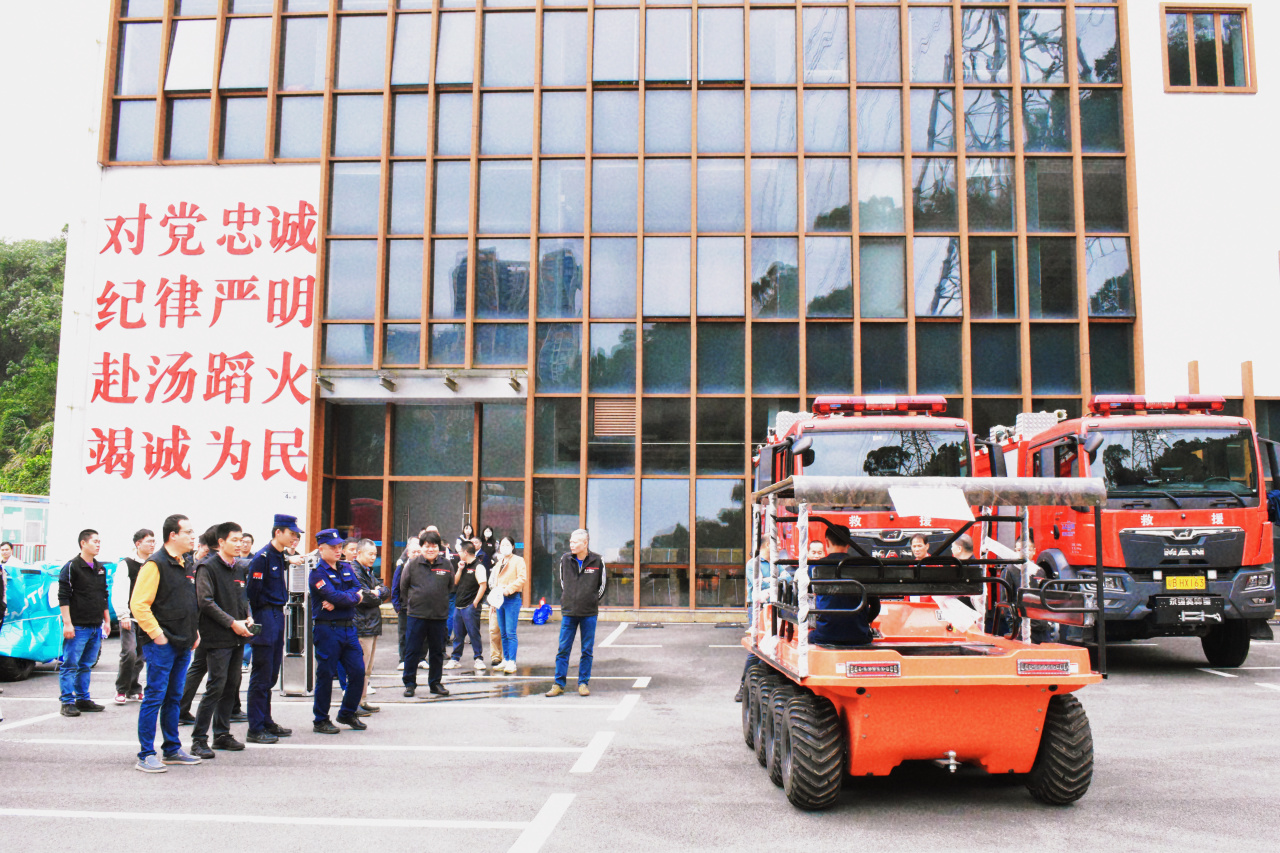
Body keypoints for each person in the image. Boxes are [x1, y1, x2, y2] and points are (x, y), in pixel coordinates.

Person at [130, 514, 203, 772]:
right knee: (155, 696)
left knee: (174, 697)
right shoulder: (155, 564)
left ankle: (172, 749)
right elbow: (139, 604)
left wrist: (194, 631)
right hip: (162, 644)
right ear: (173, 535)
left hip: (184, 641)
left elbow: (187, 601)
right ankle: (146, 754)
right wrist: (157, 635)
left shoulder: (186, 563)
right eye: (188, 532)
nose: (193, 536)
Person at [189, 521, 253, 759]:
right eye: (234, 540)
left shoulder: (237, 567)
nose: (239, 544)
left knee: (231, 685)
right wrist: (232, 622)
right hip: (216, 637)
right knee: (215, 687)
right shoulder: (207, 567)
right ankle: (198, 739)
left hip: (237, 636)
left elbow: (242, 598)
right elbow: (205, 602)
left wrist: (247, 616)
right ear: (221, 542)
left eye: (241, 540)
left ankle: (222, 734)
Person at [310, 529, 376, 733]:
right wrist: (350, 598)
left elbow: (358, 590)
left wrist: (344, 599)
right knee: (326, 674)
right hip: (327, 629)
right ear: (321, 549)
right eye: (333, 547)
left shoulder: (346, 567)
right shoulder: (318, 573)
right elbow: (335, 595)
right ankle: (321, 719)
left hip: (348, 627)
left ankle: (347, 712)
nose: (338, 550)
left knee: (358, 671)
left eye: (340, 547)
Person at [244, 514, 302, 745]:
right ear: (278, 532)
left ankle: (266, 720)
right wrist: (260, 616)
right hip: (266, 614)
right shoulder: (263, 557)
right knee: (261, 673)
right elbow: (253, 592)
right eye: (291, 533)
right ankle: (255, 727)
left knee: (271, 673)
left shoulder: (279, 555)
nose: (295, 538)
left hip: (277, 614)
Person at [57, 529, 111, 717]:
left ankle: (83, 698)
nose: (98, 545)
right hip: (78, 626)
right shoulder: (72, 567)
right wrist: (67, 623)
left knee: (86, 665)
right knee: (70, 664)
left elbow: (103, 595)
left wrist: (106, 620)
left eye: (99, 542)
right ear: (83, 543)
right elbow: (63, 596)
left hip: (95, 625)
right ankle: (67, 701)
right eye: (95, 541)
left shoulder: (100, 568)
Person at [548, 529, 606, 697]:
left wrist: (590, 599)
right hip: (569, 612)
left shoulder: (597, 560)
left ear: (585, 543)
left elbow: (602, 586)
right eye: (570, 542)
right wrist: (570, 598)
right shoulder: (565, 559)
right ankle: (558, 684)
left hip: (589, 613)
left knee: (586, 650)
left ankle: (583, 683)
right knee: (563, 649)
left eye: (575, 542)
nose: (571, 545)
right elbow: (562, 582)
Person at [399, 531, 456, 697]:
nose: (431, 549)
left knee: (437, 651)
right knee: (412, 650)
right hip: (416, 615)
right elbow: (403, 587)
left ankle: (435, 683)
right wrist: (413, 603)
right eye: (427, 546)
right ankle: (409, 684)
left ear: (439, 548)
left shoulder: (446, 565)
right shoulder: (412, 564)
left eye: (434, 546)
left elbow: (450, 586)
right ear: (421, 547)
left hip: (438, 616)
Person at [809, 523, 881, 647]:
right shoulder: (864, 567)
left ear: (827, 542)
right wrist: (863, 623)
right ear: (848, 544)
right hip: (859, 636)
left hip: (825, 635)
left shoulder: (815, 567)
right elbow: (875, 606)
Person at [179, 526, 220, 726]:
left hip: (204, 622)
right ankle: (182, 710)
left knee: (199, 666)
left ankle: (181, 709)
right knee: (208, 669)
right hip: (209, 623)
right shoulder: (209, 564)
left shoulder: (201, 564)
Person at [114, 528, 155, 705]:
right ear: (138, 544)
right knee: (129, 653)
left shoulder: (153, 564)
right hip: (129, 616)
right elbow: (119, 590)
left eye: (154, 541)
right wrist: (123, 614)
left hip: (147, 617)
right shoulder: (126, 564)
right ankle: (121, 689)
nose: (153, 544)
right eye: (149, 541)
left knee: (141, 655)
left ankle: (134, 688)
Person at [351, 539, 388, 714]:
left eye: (375, 554)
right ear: (359, 553)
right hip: (362, 624)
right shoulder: (355, 571)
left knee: (367, 668)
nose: (373, 557)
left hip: (370, 623)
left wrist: (378, 591)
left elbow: (385, 590)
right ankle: (355, 703)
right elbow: (365, 597)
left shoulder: (367, 571)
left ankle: (362, 700)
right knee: (360, 667)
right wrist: (377, 593)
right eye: (370, 554)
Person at [445, 541, 487, 672]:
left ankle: (478, 658)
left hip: (470, 606)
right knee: (458, 635)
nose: (458, 554)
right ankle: (455, 659)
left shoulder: (478, 566)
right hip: (459, 605)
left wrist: (475, 602)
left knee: (474, 633)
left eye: (459, 552)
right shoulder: (462, 565)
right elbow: (455, 582)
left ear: (465, 552)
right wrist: (459, 569)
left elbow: (483, 585)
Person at [490, 536, 526, 675]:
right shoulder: (499, 563)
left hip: (512, 598)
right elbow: (496, 583)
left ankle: (512, 661)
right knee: (503, 631)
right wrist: (493, 602)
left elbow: (522, 579)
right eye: (502, 545)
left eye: (507, 544)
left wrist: (509, 589)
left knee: (511, 632)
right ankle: (505, 658)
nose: (504, 547)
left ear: (512, 546)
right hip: (500, 600)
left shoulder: (518, 560)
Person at [390, 536, 421, 670]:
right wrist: (397, 606)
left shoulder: (425, 567)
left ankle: (421, 658)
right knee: (404, 634)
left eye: (418, 552)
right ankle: (403, 659)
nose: (416, 554)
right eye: (414, 552)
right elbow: (395, 587)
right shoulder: (401, 567)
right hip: (404, 607)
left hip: (421, 607)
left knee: (420, 634)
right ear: (408, 553)